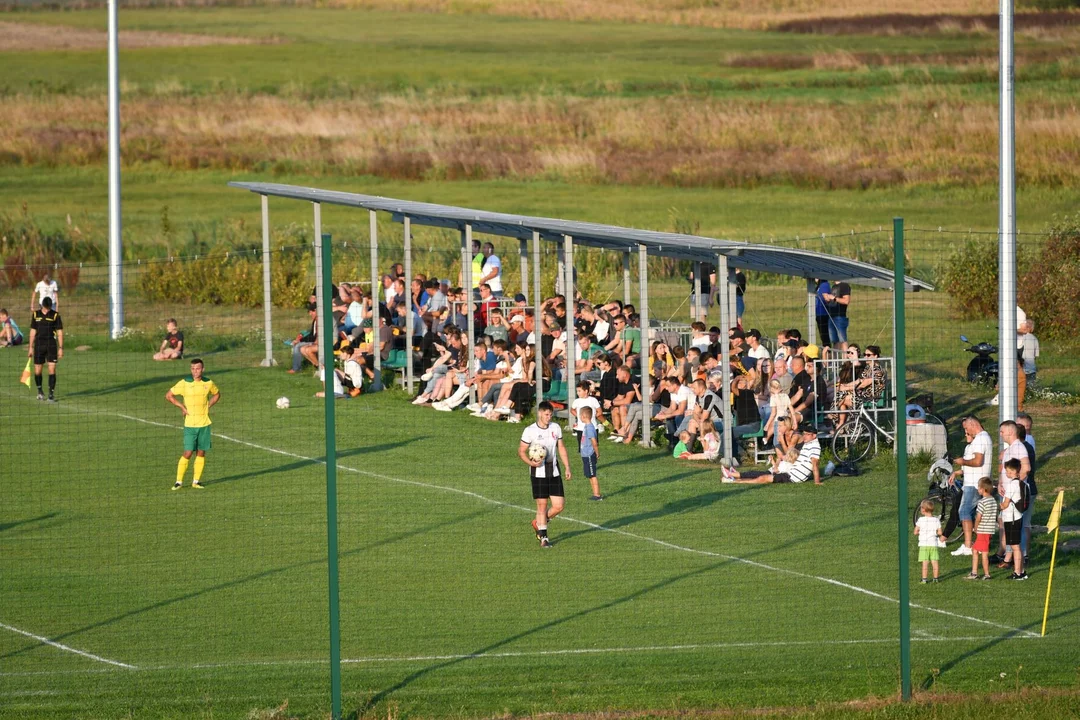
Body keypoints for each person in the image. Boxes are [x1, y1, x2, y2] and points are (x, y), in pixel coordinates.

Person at [519, 401, 572, 548]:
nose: (549, 417)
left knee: (559, 506)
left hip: (554, 472)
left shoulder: (556, 428)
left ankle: (539, 522)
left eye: (551, 415)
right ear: (540, 413)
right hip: (538, 474)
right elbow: (521, 451)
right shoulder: (530, 430)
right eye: (547, 415)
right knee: (542, 506)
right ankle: (544, 538)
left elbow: (561, 447)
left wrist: (567, 467)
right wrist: (531, 463)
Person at [165, 358, 220, 490]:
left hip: (204, 424)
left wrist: (208, 406)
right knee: (188, 452)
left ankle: (196, 481)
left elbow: (217, 394)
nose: (195, 371)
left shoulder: (208, 383)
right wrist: (182, 407)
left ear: (203, 369)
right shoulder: (184, 383)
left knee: (201, 453)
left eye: (198, 368)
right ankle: (178, 481)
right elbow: (169, 395)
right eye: (193, 369)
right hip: (190, 425)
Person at [949, 416, 993, 557]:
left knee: (964, 512)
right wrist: (960, 470)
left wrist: (963, 461)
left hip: (974, 484)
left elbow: (978, 461)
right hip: (973, 482)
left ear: (973, 424)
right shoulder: (982, 438)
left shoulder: (980, 438)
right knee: (974, 514)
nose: (966, 432)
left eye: (966, 428)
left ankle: (968, 545)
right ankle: (977, 544)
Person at [726, 423, 822, 485]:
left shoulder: (815, 447)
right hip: (790, 472)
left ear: (814, 435)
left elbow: (815, 464)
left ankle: (735, 480)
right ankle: (734, 478)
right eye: (804, 434)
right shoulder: (808, 443)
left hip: (793, 477)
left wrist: (817, 481)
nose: (804, 436)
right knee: (762, 475)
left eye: (807, 434)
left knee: (765, 478)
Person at [27, 296, 63, 402]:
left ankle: (51, 394)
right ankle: (40, 391)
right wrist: (30, 347)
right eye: (45, 308)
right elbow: (33, 331)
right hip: (38, 345)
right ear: (42, 305)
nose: (47, 310)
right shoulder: (35, 314)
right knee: (38, 370)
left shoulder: (55, 315)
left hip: (51, 345)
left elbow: (60, 332)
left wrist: (61, 348)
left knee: (52, 369)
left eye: (48, 308)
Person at [999, 458, 1028, 580]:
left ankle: (1018, 573)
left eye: (1008, 471)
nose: (1007, 473)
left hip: (1011, 518)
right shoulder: (1022, 483)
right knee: (1017, 546)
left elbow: (1005, 504)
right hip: (1018, 516)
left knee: (1015, 546)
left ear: (1013, 471)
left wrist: (998, 507)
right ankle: (1021, 571)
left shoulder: (1011, 485)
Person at [967, 476, 998, 580]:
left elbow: (978, 517)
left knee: (982, 552)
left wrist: (975, 528)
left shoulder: (982, 502)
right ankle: (974, 572)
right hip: (989, 531)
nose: (977, 489)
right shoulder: (993, 501)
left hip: (982, 531)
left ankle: (986, 574)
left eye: (979, 487)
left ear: (983, 489)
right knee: (975, 550)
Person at [914, 499, 946, 583]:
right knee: (935, 562)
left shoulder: (921, 520)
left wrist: (921, 532)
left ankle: (924, 579)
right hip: (933, 544)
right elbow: (940, 532)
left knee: (925, 562)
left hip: (924, 544)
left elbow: (915, 532)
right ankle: (936, 578)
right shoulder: (936, 520)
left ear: (923, 509)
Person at [578, 406, 603, 500]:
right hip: (585, 455)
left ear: (584, 416)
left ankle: (597, 495)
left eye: (580, 415)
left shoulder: (590, 428)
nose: (579, 417)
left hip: (589, 454)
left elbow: (594, 441)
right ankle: (594, 493)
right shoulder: (586, 426)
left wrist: (597, 452)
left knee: (592, 475)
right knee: (589, 475)